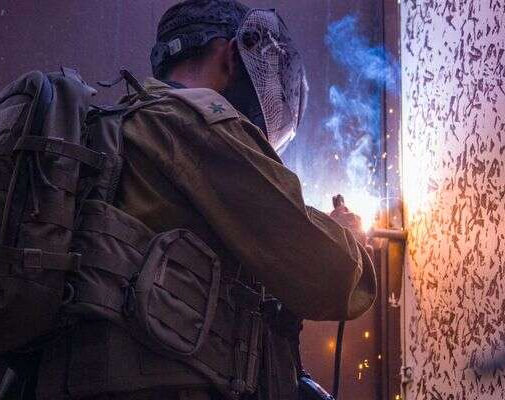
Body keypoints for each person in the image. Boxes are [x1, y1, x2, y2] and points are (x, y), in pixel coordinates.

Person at [24, 1, 376, 399]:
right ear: (232, 54)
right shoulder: (199, 125)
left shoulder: (116, 125)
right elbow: (331, 274)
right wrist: (347, 237)